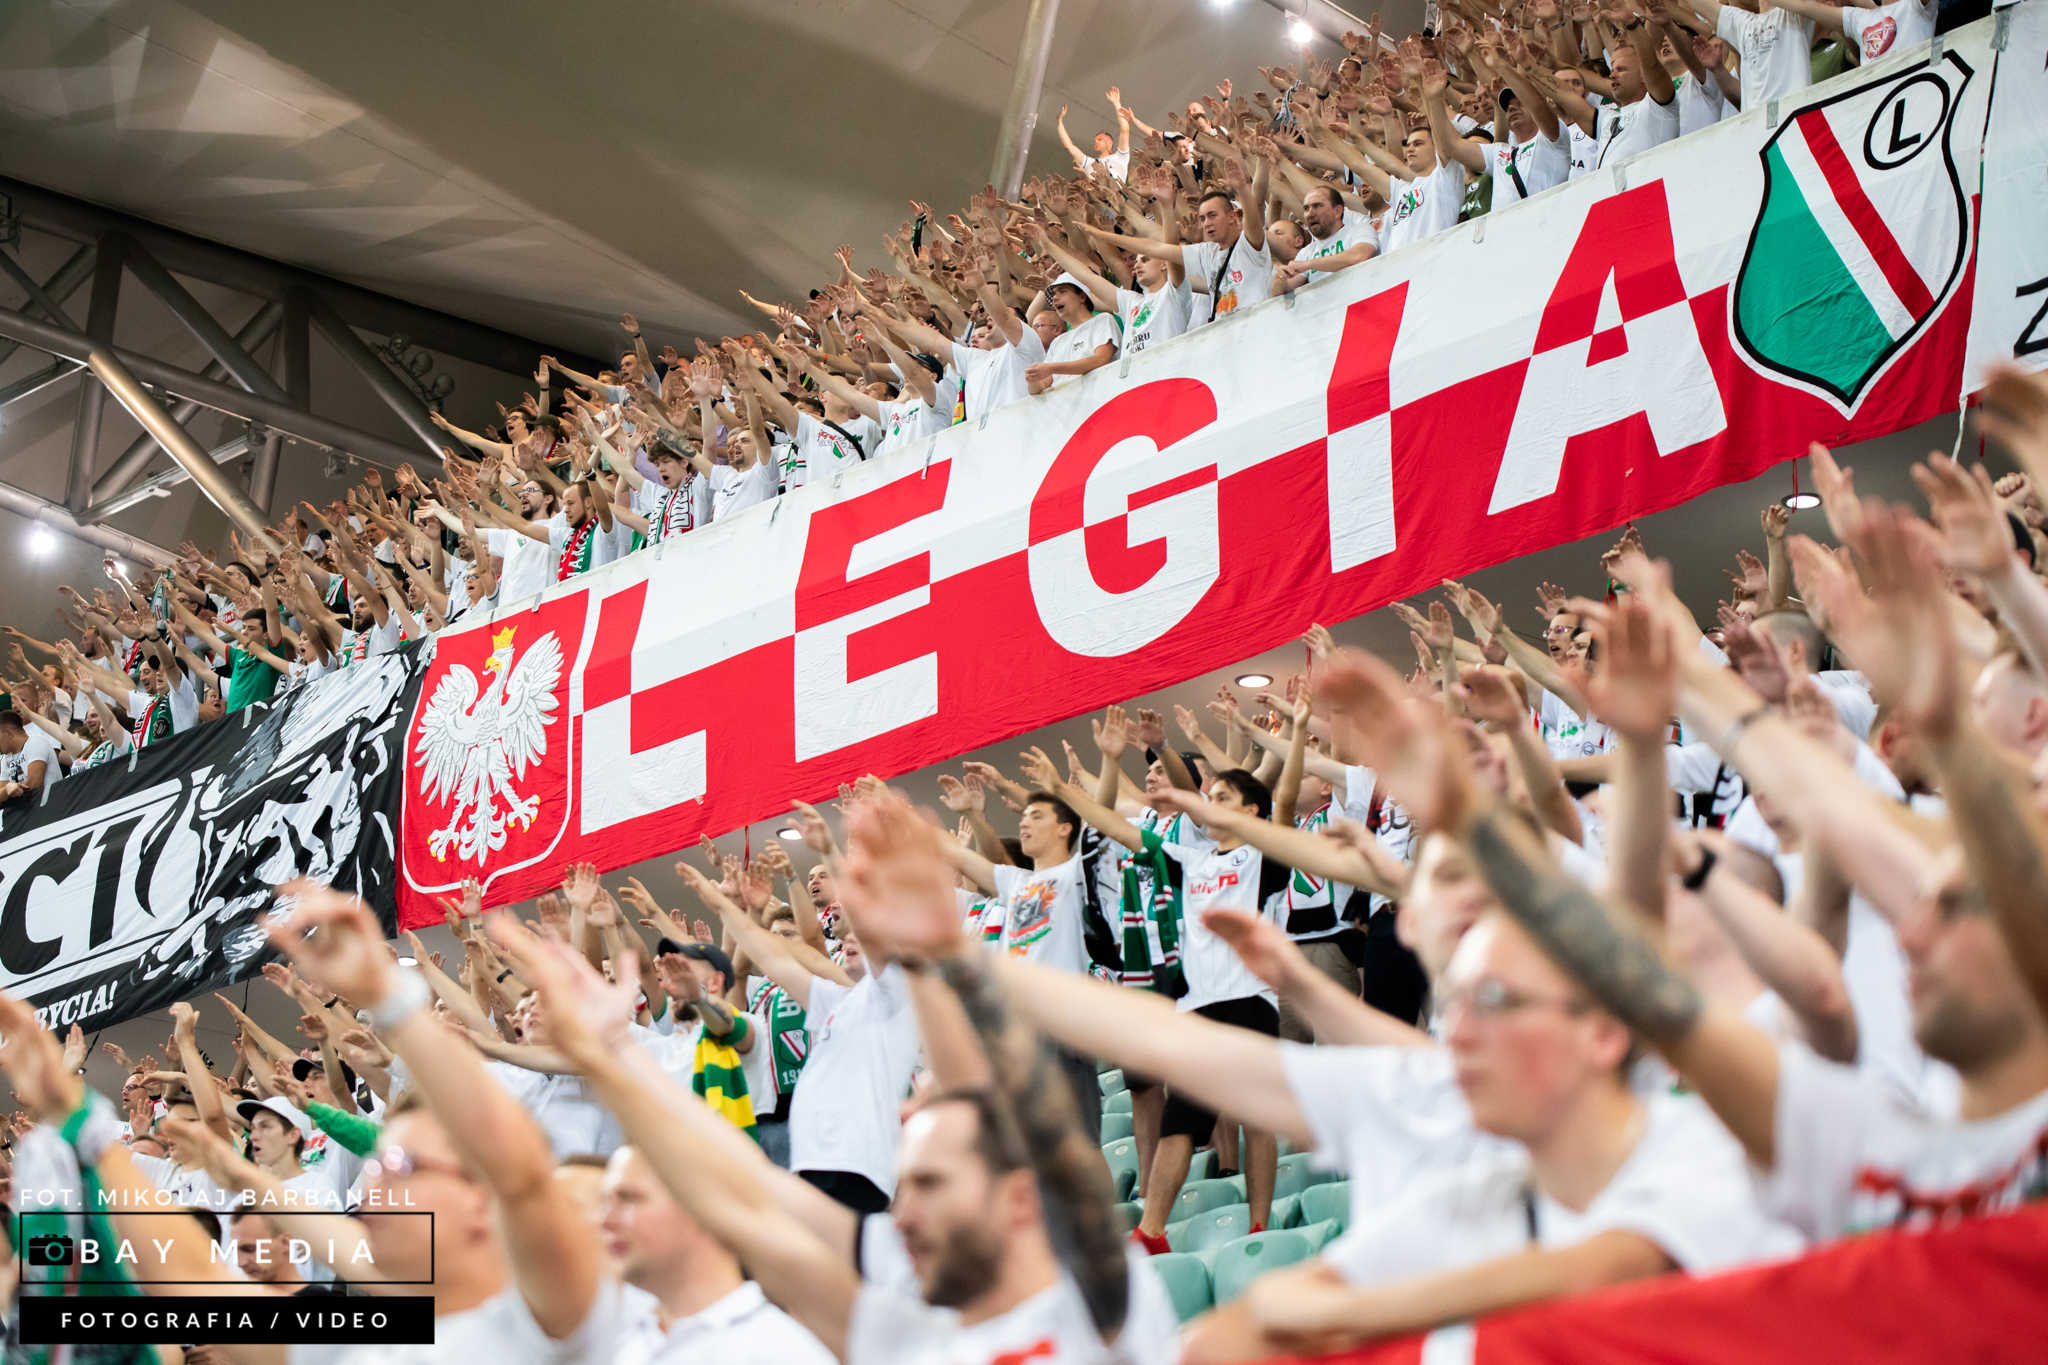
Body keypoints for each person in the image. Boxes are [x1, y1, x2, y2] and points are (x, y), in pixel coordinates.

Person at [602, 1145, 837, 1365]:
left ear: (703, 1208)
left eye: (629, 1199)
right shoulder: (620, 1344)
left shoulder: (782, 1352)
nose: (605, 1220)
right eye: (605, 1201)